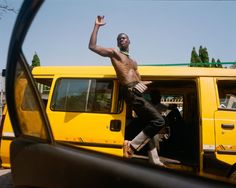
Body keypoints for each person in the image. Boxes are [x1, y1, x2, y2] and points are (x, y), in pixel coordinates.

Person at [89, 15, 165, 164]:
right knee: (159, 121)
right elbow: (92, 47)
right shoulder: (115, 54)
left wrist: (147, 83)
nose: (121, 40)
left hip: (137, 91)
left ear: (129, 41)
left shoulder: (134, 62)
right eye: (119, 39)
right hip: (129, 91)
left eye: (124, 38)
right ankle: (132, 146)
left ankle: (154, 160)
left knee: (148, 123)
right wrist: (97, 26)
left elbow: (138, 80)